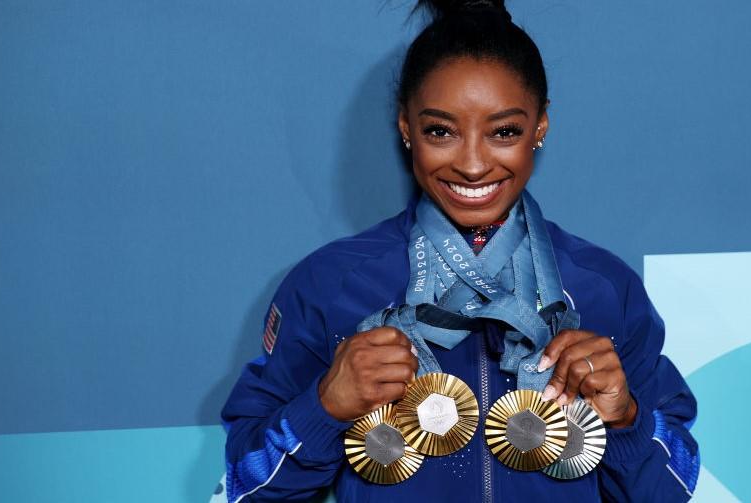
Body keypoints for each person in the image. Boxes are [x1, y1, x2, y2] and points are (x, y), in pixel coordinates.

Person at [221, 1, 699, 501]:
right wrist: (323, 408)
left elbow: (673, 488)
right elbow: (246, 487)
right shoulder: (329, 285)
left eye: (504, 131)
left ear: (540, 126)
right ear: (406, 128)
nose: (472, 165)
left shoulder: (603, 288)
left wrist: (626, 419)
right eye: (441, 131)